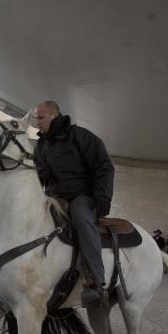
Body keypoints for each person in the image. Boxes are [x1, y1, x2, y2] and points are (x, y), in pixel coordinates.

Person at [32, 100, 114, 306]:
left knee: (81, 218)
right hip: (55, 196)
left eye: (40, 117)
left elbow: (103, 166)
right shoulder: (41, 145)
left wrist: (103, 196)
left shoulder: (80, 136)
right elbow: (40, 176)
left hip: (83, 196)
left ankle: (96, 281)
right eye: (36, 118)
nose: (37, 122)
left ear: (54, 115)